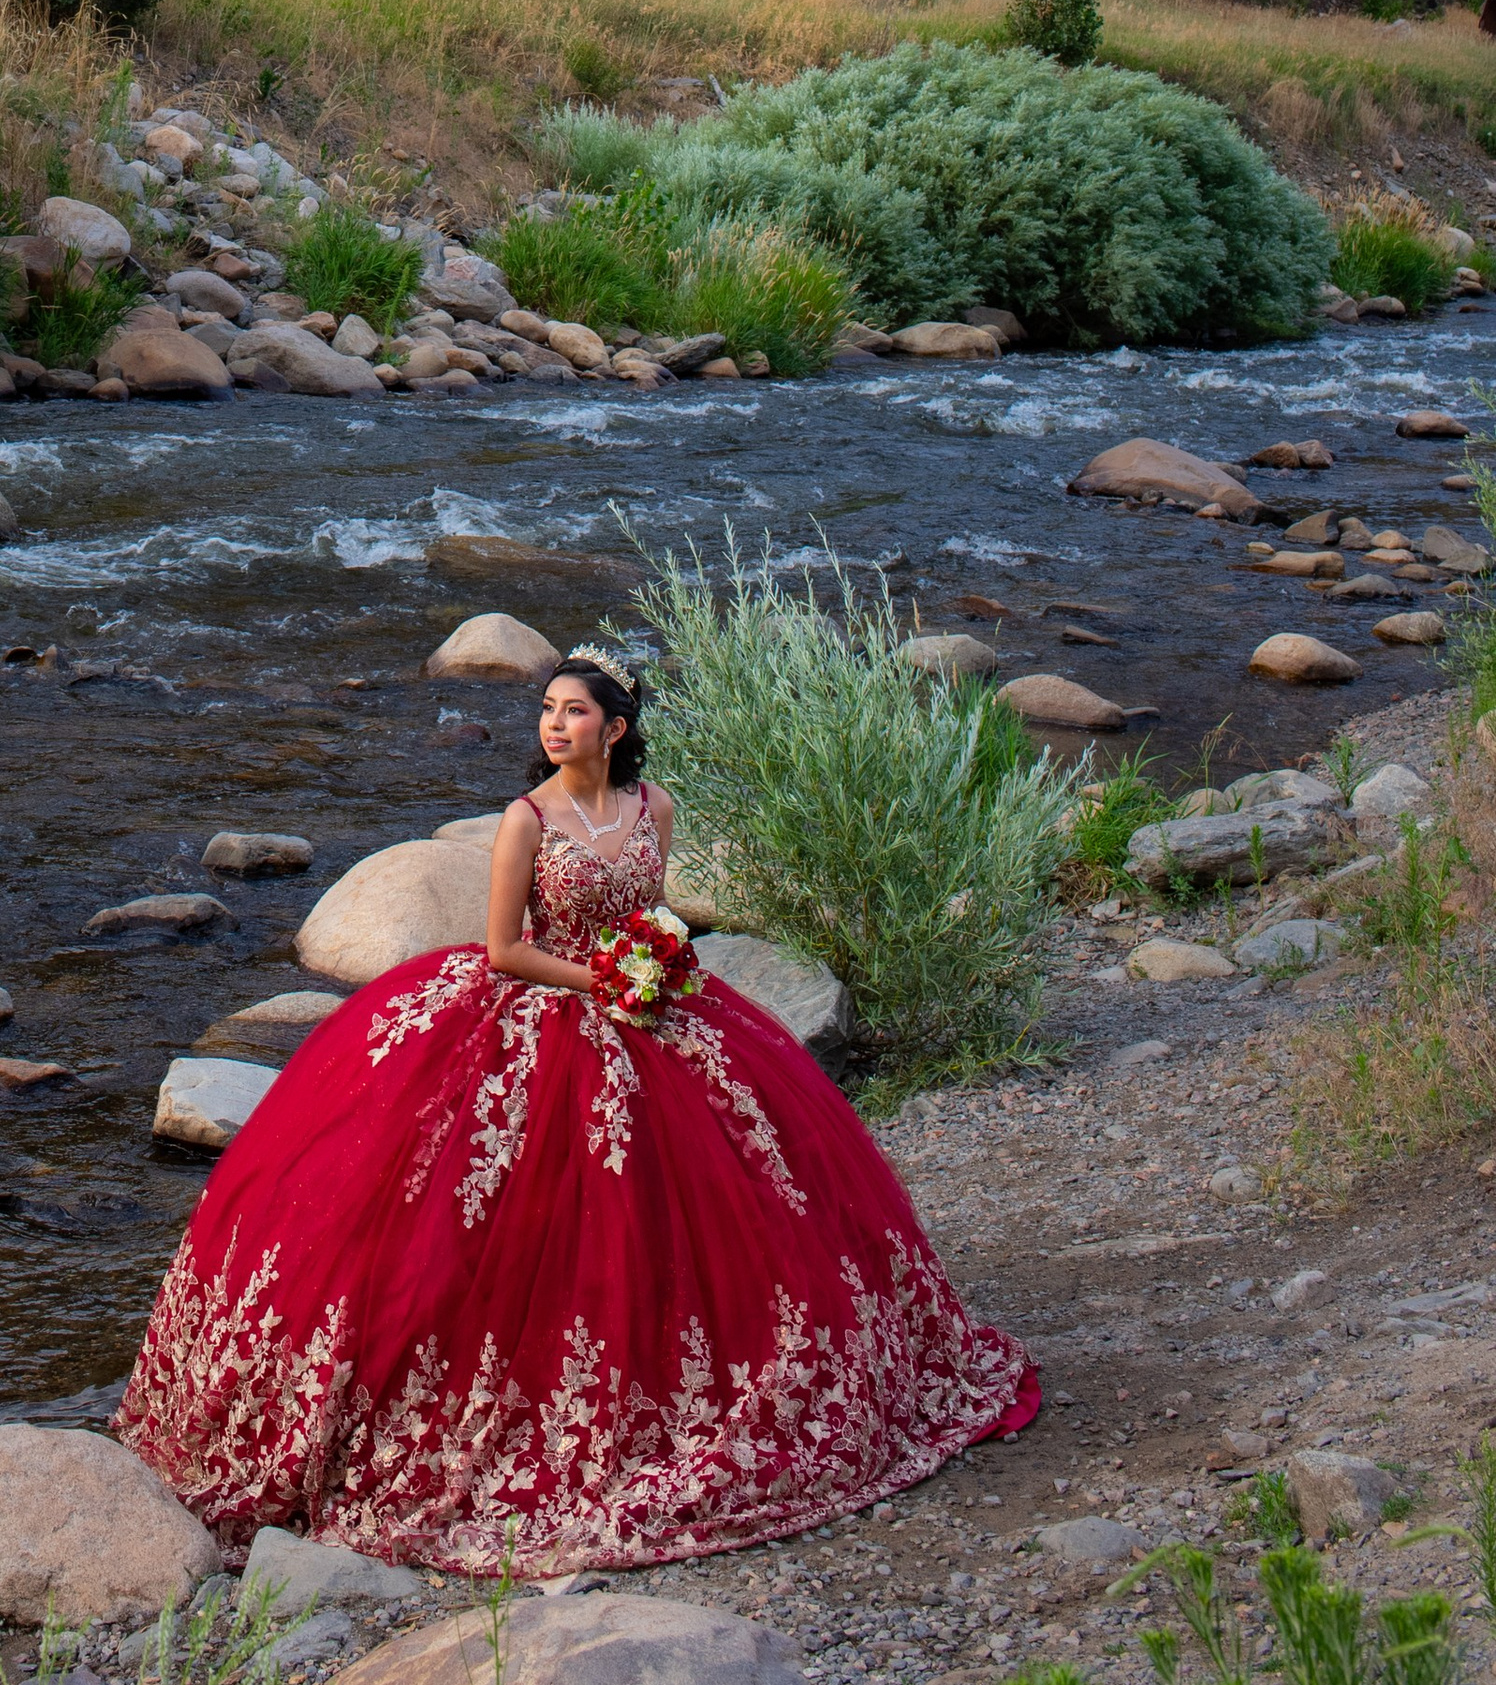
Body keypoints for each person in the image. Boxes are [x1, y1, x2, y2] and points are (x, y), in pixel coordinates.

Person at [116, 651, 1036, 1573]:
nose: (554, 726)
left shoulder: (655, 810)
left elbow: (659, 914)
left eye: (574, 712)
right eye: (547, 710)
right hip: (540, 1009)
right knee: (489, 1209)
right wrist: (601, 977)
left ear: (617, 728)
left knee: (719, 1190)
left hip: (648, 1011)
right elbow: (504, 949)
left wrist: (656, 962)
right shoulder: (525, 821)